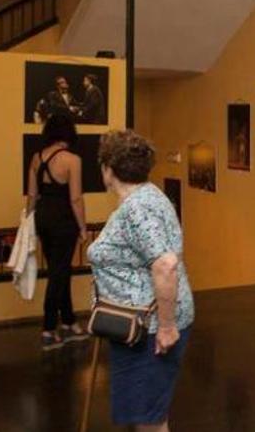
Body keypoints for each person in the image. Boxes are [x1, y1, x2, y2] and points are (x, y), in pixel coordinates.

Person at [89, 130, 194, 431]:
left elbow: (165, 265)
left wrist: (166, 326)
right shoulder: (148, 196)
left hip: (148, 331)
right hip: (137, 327)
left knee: (148, 420)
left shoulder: (138, 208)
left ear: (108, 169)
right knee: (149, 415)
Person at [27, 114, 88, 349]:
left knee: (59, 271)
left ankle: (70, 323)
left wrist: (28, 221)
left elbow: (32, 195)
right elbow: (75, 198)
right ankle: (49, 329)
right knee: (59, 274)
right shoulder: (72, 160)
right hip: (64, 220)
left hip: (42, 217)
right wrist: (82, 227)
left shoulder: (36, 158)